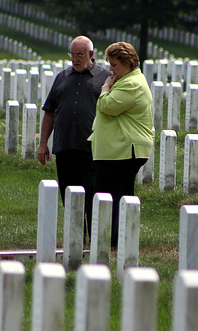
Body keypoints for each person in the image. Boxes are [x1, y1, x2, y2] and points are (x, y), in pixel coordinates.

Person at [38, 35, 111, 241]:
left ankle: (94, 238)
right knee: (68, 195)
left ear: (90, 54)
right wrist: (43, 143)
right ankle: (75, 238)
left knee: (92, 194)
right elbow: (49, 111)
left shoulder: (106, 77)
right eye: (72, 55)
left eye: (80, 55)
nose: (75, 59)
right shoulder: (62, 77)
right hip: (65, 146)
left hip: (92, 148)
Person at [88, 42, 153, 247]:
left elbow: (106, 105)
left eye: (114, 65)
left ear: (128, 63)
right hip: (119, 149)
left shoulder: (131, 84)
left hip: (123, 149)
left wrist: (105, 87)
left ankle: (108, 240)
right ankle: (119, 240)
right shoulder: (129, 80)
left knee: (106, 195)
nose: (111, 70)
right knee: (121, 195)